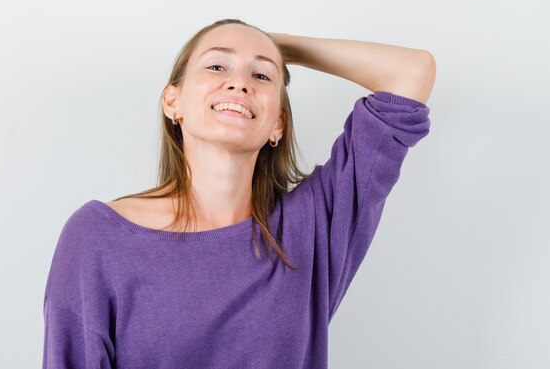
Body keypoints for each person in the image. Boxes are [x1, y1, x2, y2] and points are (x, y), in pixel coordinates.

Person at [41, 19, 434, 368]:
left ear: (278, 122)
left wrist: (280, 47)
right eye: (216, 65)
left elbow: (411, 73)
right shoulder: (99, 237)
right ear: (172, 101)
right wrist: (262, 52)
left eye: (261, 76)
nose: (239, 82)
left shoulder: (311, 227)